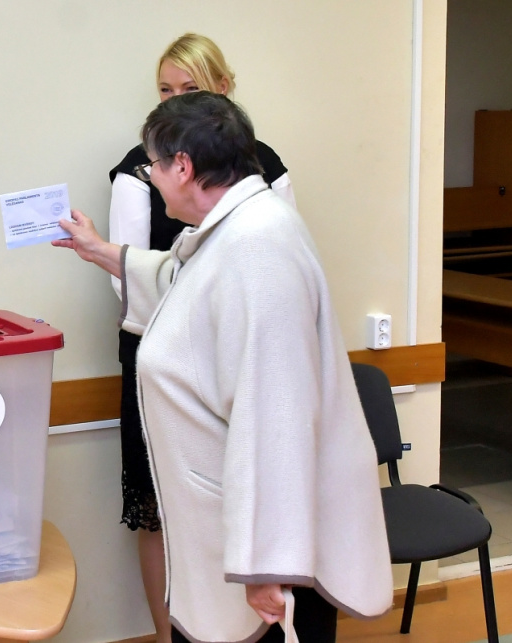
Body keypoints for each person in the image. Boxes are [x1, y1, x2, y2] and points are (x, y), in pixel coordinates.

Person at [53, 92, 392, 643]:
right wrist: (98, 250)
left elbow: (276, 415)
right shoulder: (234, 231)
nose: (152, 177)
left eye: (153, 165)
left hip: (268, 562)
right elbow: (181, 284)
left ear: (183, 167)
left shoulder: (258, 249)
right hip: (235, 535)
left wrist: (268, 566)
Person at [107, 33, 296, 643]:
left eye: (189, 88)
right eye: (165, 90)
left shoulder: (264, 172)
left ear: (224, 89)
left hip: (238, 361)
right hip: (163, 358)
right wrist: (103, 254)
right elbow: (132, 277)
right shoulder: (139, 169)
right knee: (161, 512)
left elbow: (273, 274)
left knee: (237, 500)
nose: (175, 102)